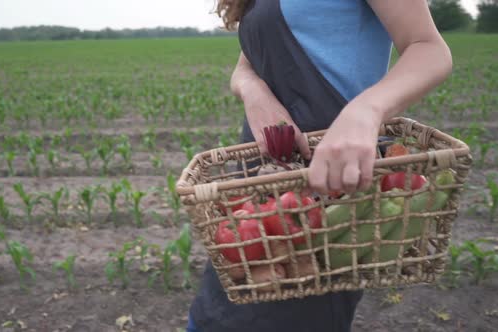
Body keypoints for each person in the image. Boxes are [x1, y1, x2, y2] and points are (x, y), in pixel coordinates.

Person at [187, 0, 453, 331]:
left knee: (298, 313)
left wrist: (366, 111)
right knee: (220, 307)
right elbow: (246, 66)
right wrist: (253, 92)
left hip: (329, 186)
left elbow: (428, 48)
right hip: (258, 176)